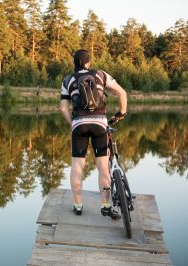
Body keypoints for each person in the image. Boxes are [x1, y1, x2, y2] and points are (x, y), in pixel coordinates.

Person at [60, 49, 127, 219]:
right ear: (88, 62)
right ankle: (105, 206)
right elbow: (122, 93)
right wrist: (122, 113)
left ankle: (78, 205)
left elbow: (63, 108)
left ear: (75, 63)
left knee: (77, 164)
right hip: (99, 123)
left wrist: (73, 124)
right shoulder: (101, 74)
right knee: (103, 166)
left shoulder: (68, 79)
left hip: (79, 124)